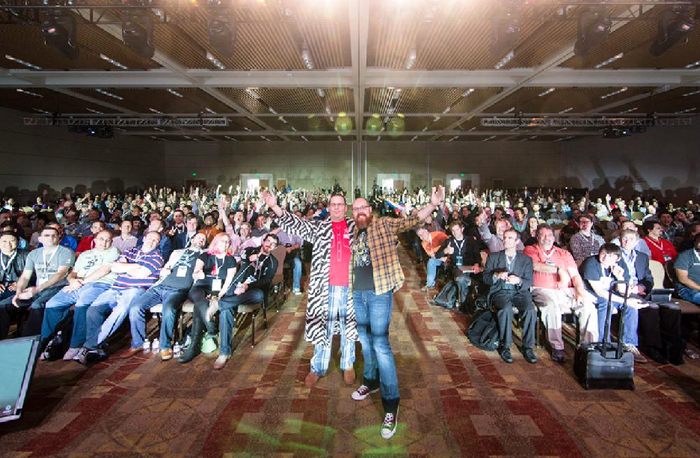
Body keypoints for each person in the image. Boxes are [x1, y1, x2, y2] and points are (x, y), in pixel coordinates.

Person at [349, 185, 443, 440]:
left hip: (379, 293)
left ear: (370, 210)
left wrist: (433, 204)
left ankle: (391, 405)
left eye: (363, 208)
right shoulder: (352, 231)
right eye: (355, 209)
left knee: (380, 345)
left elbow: (410, 220)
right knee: (365, 341)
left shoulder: (383, 224)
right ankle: (371, 381)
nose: (360, 212)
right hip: (358, 293)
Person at [265, 191, 358, 387]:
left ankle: (348, 364)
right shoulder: (319, 227)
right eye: (333, 204)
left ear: (346, 207)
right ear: (328, 207)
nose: (337, 208)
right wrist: (275, 206)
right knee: (322, 326)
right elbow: (296, 224)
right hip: (324, 287)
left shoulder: (355, 228)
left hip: (351, 287)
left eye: (340, 204)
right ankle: (318, 367)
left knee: (349, 326)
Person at [76, 231, 164, 364]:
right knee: (93, 310)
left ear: (158, 243)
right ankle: (95, 348)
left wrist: (125, 267)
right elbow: (115, 268)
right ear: (144, 238)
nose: (151, 241)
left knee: (119, 311)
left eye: (155, 240)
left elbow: (141, 274)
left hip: (136, 289)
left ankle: (89, 345)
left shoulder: (157, 256)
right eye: (150, 238)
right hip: (115, 288)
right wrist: (135, 266)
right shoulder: (130, 251)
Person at [124, 233, 208, 361]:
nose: (201, 240)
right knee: (135, 307)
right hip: (159, 287)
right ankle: (137, 343)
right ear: (192, 239)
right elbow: (165, 269)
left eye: (204, 239)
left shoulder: (204, 255)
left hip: (178, 290)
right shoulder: (177, 252)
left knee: (168, 309)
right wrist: (164, 271)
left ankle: (165, 345)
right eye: (199, 237)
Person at [524, 224, 598, 363]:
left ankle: (587, 346)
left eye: (549, 235)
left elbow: (575, 275)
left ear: (554, 237)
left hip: (565, 291)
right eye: (543, 235)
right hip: (542, 289)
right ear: (537, 236)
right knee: (551, 305)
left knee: (588, 306)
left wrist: (580, 291)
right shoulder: (531, 249)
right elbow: (535, 265)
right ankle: (557, 346)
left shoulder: (563, 253)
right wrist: (559, 270)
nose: (546, 238)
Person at [40, 230, 119, 358]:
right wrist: (72, 280)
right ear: (95, 240)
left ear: (111, 242)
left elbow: (104, 270)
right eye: (101, 239)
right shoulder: (85, 254)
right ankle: (47, 342)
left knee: (82, 305)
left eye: (107, 240)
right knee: (52, 304)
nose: (104, 242)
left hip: (99, 284)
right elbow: (73, 272)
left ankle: (76, 344)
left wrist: (82, 282)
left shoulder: (114, 251)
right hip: (77, 284)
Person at [619, 229, 683, 365]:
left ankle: (672, 346)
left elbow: (649, 279)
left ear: (637, 242)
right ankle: (652, 346)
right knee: (651, 308)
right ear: (620, 240)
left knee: (672, 308)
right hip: (624, 291)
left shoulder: (642, 257)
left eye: (631, 239)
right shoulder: (614, 255)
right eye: (624, 238)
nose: (627, 241)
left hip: (642, 291)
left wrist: (641, 287)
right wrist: (630, 288)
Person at [1, 227, 74, 339]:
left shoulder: (66, 252)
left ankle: (29, 340)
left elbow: (60, 274)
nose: (50, 238)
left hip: (58, 287)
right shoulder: (33, 254)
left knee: (37, 305)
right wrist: (18, 292)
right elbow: (25, 276)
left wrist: (37, 289)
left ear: (59, 237)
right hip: (38, 289)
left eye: (54, 235)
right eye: (46, 235)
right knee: (4, 305)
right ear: (40, 239)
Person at [579, 243, 648, 363]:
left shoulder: (621, 265)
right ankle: (603, 343)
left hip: (612, 293)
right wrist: (627, 301)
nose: (605, 258)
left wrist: (619, 277)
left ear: (617, 258)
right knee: (607, 304)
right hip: (592, 293)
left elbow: (624, 292)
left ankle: (628, 344)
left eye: (610, 256)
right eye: (603, 254)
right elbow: (599, 292)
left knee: (631, 308)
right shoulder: (591, 263)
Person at [178, 233, 238, 366]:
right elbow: (196, 272)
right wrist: (198, 274)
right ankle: (211, 327)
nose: (225, 244)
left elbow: (228, 282)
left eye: (227, 242)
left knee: (199, 308)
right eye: (222, 241)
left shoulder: (231, 260)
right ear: (216, 241)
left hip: (219, 291)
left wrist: (219, 295)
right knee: (200, 300)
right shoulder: (205, 255)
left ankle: (194, 347)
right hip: (201, 288)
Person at [483, 229, 537, 364]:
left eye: (510, 238)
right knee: (506, 309)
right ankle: (505, 346)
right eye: (505, 237)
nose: (506, 240)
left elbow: (529, 281)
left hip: (519, 292)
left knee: (530, 310)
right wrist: (496, 275)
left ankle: (527, 346)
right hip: (500, 291)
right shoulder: (494, 257)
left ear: (517, 241)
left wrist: (519, 281)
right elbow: (485, 278)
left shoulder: (526, 260)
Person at [435, 221, 482, 310]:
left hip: (470, 267)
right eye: (453, 231)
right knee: (461, 279)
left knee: (473, 279)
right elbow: (437, 255)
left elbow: (477, 256)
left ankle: (468, 299)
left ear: (462, 229)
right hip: (456, 268)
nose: (455, 233)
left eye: (457, 230)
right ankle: (463, 303)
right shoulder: (449, 241)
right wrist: (446, 251)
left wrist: (476, 264)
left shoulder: (470, 241)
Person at [0, 232, 29, 340]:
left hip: (19, 289)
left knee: (2, 306)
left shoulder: (26, 255)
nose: (8, 244)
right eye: (4, 241)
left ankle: (2, 339)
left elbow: (34, 275)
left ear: (18, 242)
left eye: (11, 241)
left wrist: (21, 283)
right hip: (2, 288)